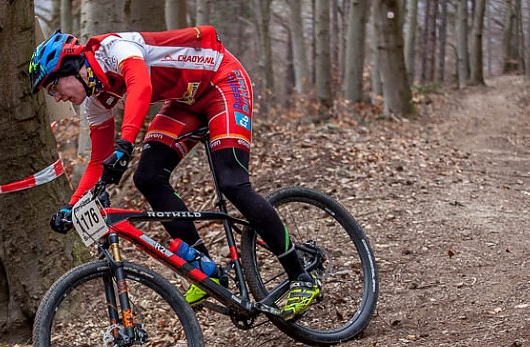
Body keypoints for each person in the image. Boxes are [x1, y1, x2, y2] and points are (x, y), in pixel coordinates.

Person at [28, 26, 320, 320]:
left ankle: (301, 277)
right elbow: (97, 161)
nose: (57, 97)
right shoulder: (95, 101)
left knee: (232, 183)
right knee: (148, 177)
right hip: (185, 102)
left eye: (53, 88)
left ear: (70, 68)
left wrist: (126, 143)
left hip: (222, 82)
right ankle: (207, 271)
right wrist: (72, 204)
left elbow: (140, 85)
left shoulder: (115, 48)